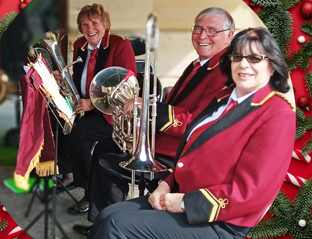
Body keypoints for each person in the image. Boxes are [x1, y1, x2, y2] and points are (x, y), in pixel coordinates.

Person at [85, 27, 296, 239]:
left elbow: (251, 194)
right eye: (237, 56)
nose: (243, 64)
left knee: (116, 225)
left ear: (272, 66)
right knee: (106, 215)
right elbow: (191, 153)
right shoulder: (223, 98)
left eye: (254, 58)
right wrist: (165, 184)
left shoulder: (278, 113)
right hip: (180, 194)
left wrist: (185, 202)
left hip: (219, 219)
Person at [72, 7, 235, 235]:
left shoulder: (224, 71)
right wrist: (166, 97)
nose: (202, 35)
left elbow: (199, 124)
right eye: (198, 29)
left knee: (107, 160)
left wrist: (151, 107)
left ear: (229, 35)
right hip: (165, 141)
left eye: (212, 30)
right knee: (104, 148)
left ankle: (109, 226)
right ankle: (100, 223)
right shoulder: (201, 63)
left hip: (178, 153)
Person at [55, 3, 137, 211]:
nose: (89, 28)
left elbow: (128, 86)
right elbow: (78, 77)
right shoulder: (80, 44)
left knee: (77, 133)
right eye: (84, 24)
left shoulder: (119, 44)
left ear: (105, 24)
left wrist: (93, 103)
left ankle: (89, 192)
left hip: (114, 115)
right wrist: (61, 81)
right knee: (55, 117)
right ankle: (69, 173)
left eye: (94, 23)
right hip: (86, 108)